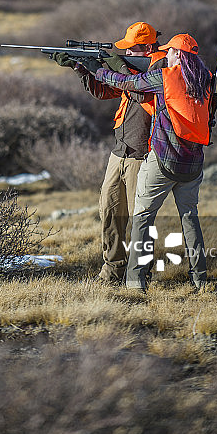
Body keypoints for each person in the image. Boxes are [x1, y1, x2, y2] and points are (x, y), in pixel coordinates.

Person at [93, 33, 212, 293]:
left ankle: (135, 282)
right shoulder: (206, 80)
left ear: (178, 55)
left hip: (162, 161)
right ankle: (200, 280)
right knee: (190, 219)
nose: (165, 55)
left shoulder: (166, 76)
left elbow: (128, 83)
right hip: (193, 165)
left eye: (169, 51)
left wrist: (99, 71)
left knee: (142, 218)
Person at [53, 22, 166, 285]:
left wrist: (117, 68)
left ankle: (140, 274)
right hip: (120, 151)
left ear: (148, 47)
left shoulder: (161, 67)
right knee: (110, 211)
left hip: (144, 153)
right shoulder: (134, 68)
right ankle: (112, 271)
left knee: (140, 219)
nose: (126, 52)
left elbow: (140, 91)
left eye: (132, 49)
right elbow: (104, 91)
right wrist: (83, 69)